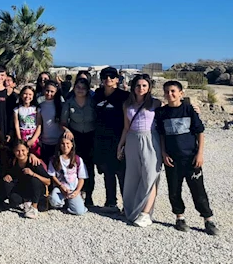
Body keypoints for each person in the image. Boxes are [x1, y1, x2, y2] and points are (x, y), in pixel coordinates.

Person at [156, 81, 218, 235]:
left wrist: (200, 153)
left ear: (181, 93)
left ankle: (208, 219)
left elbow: (200, 133)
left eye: (173, 91)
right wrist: (163, 153)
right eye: (167, 92)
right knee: (174, 190)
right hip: (172, 159)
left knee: (198, 190)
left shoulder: (189, 109)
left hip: (191, 158)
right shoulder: (162, 113)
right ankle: (180, 217)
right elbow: (162, 135)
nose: (170, 94)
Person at [117, 75, 162, 227]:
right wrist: (121, 145)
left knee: (150, 176)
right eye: (138, 85)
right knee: (133, 176)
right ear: (133, 87)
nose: (141, 88)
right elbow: (126, 127)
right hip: (132, 139)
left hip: (150, 139)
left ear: (149, 87)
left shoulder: (155, 103)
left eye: (144, 85)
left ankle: (145, 213)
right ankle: (133, 210)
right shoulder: (127, 105)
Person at [93, 67, 130, 212]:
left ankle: (127, 204)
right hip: (101, 138)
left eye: (111, 76)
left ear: (116, 79)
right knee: (107, 171)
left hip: (118, 137)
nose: (108, 79)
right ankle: (110, 202)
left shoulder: (124, 96)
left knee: (121, 173)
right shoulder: (97, 95)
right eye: (105, 76)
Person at [61, 77, 96, 206]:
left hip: (91, 137)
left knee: (89, 167)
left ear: (87, 90)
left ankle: (89, 194)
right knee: (74, 166)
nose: (80, 90)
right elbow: (63, 123)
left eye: (83, 88)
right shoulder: (69, 103)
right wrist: (67, 130)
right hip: (75, 138)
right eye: (78, 87)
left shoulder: (92, 102)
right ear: (74, 88)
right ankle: (75, 192)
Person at [2, 141, 51, 219]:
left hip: (36, 190)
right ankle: (25, 203)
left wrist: (33, 174)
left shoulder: (34, 162)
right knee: (9, 189)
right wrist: (8, 175)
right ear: (14, 151)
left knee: (34, 180)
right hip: (23, 190)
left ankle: (34, 207)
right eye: (18, 151)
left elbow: (48, 181)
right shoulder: (13, 161)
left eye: (23, 150)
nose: (20, 153)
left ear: (27, 150)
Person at [48, 134, 88, 216]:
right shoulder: (54, 159)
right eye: (63, 144)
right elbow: (52, 175)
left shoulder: (77, 159)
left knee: (79, 211)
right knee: (54, 201)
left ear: (72, 145)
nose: (65, 146)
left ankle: (73, 202)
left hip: (73, 189)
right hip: (60, 188)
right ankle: (64, 203)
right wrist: (60, 186)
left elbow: (81, 178)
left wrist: (77, 191)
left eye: (67, 143)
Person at [36, 80, 65, 164]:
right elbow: (39, 124)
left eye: (52, 91)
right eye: (47, 90)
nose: (49, 93)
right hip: (44, 142)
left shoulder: (61, 105)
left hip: (58, 142)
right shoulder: (40, 104)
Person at [13, 85, 38, 154]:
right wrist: (19, 139)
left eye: (30, 94)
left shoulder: (36, 109)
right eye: (25, 94)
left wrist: (33, 139)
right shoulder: (17, 109)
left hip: (33, 134)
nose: (27, 96)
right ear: (21, 95)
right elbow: (16, 125)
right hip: (22, 134)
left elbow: (39, 125)